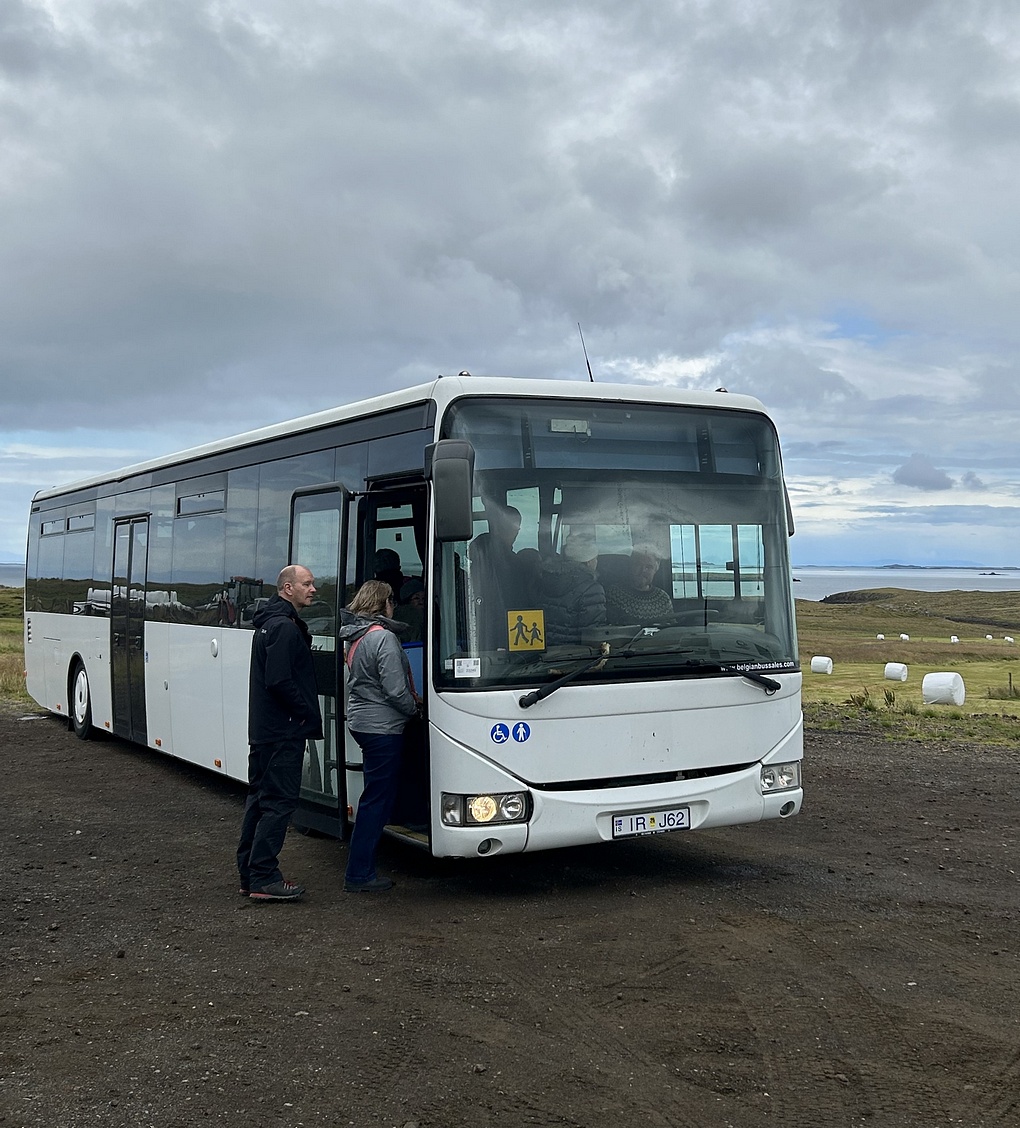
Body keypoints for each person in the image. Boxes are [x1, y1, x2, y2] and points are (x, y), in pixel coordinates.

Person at [237, 565, 323, 902]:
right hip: (282, 732)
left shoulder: (268, 624)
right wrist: (304, 713)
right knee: (278, 804)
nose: (313, 589)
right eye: (307, 584)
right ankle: (263, 876)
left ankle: (250, 875)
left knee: (259, 801)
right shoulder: (285, 628)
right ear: (288, 588)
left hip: (265, 731)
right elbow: (279, 681)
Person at [338, 580, 421, 892]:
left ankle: (361, 868)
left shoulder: (355, 635)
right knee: (376, 801)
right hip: (383, 726)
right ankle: (359, 874)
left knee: (376, 795)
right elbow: (395, 689)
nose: (394, 606)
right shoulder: (383, 637)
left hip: (362, 721)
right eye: (391, 601)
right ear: (384, 604)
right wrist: (414, 710)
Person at [537, 530, 606, 646]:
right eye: (596, 558)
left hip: (546, 652)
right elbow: (594, 634)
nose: (596, 562)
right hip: (576, 654)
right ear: (589, 561)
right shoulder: (592, 589)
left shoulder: (546, 579)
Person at [468, 504, 523, 649]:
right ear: (498, 527)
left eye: (516, 529)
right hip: (497, 627)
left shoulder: (482, 554)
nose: (514, 533)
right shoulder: (508, 562)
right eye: (511, 528)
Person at [605, 546, 675, 624]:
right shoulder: (614, 594)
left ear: (655, 570)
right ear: (630, 566)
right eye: (638, 565)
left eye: (649, 567)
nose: (643, 570)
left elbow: (672, 628)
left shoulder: (663, 598)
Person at [392, 577, 426, 642]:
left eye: (424, 598)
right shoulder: (402, 618)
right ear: (408, 601)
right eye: (416, 598)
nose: (421, 602)